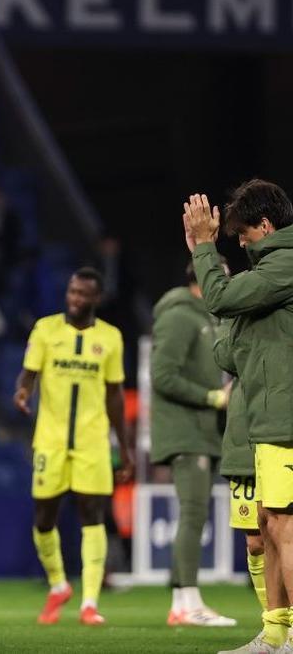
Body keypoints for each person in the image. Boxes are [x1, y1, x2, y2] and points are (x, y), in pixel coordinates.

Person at [182, 182, 293, 653]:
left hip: (286, 416)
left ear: (265, 226)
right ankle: (274, 635)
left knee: (285, 527)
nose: (241, 244)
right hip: (268, 417)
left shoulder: (286, 264)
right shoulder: (266, 276)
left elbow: (221, 303)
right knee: (269, 526)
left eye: (244, 235)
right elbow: (228, 352)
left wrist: (205, 248)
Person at [14, 267, 133, 626]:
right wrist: (22, 393)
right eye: (72, 292)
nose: (75, 299)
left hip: (93, 442)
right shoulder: (46, 329)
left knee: (92, 517)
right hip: (50, 440)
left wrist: (123, 448)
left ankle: (90, 603)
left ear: (96, 298)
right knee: (44, 519)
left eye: (83, 294)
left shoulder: (111, 338)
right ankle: (58, 584)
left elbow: (115, 396)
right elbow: (28, 375)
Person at [149, 260, 235, 626]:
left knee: (194, 513)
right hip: (186, 430)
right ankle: (186, 603)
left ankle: (182, 597)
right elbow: (162, 376)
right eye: (222, 279)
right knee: (194, 512)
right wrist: (213, 398)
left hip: (203, 431)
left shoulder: (206, 319)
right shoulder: (179, 316)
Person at [215, 312, 270, 647]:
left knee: (283, 534)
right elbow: (223, 355)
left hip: (279, 436)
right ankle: (272, 626)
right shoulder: (234, 321)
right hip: (243, 444)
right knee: (256, 542)